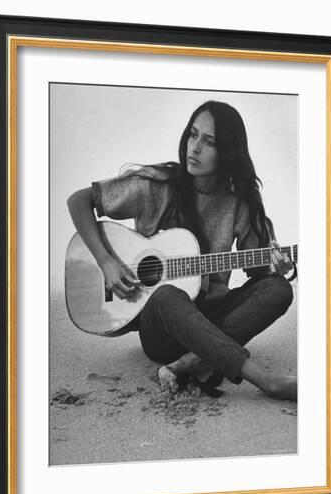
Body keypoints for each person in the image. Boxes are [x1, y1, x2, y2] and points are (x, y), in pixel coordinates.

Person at [67, 100, 297, 401]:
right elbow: (79, 200)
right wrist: (107, 262)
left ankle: (190, 362)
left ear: (228, 151)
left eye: (209, 141)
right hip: (161, 331)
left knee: (278, 289)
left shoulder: (239, 203)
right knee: (166, 294)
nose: (195, 147)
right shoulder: (158, 185)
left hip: (213, 321)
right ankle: (266, 381)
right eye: (193, 134)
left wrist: (275, 265)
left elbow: (258, 273)